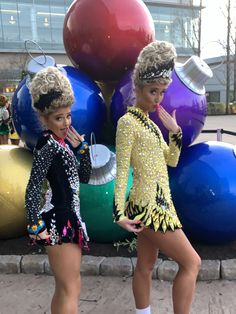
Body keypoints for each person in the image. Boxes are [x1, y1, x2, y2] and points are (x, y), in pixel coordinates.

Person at [114, 41, 201, 314]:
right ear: (137, 88)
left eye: (162, 92)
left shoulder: (152, 125)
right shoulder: (127, 123)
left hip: (158, 204)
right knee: (192, 263)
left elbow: (171, 159)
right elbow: (121, 170)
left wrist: (174, 132)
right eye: (152, 91)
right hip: (151, 208)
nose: (157, 99)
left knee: (145, 266)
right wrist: (118, 213)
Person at [25, 66, 91, 314]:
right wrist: (34, 224)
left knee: (67, 287)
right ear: (44, 119)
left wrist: (82, 150)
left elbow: (82, 178)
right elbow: (33, 185)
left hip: (69, 220)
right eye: (59, 118)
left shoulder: (61, 143)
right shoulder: (47, 145)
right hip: (57, 222)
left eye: (68, 116)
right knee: (70, 288)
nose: (66, 123)